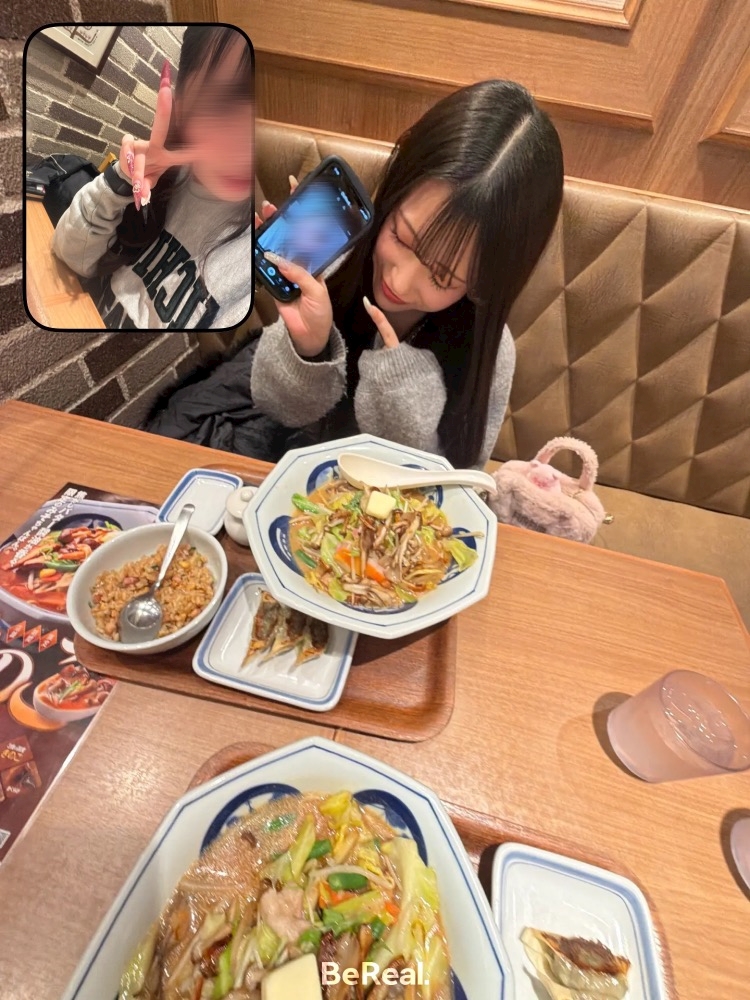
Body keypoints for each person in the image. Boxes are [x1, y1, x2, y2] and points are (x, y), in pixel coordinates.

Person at [150, 79, 563, 468]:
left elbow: (459, 477)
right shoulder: (336, 256)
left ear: (488, 282)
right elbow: (276, 407)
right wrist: (308, 349)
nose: (399, 282)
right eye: (402, 237)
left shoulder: (490, 353)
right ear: (395, 190)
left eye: (442, 277)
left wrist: (400, 409)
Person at [52, 25, 254, 330]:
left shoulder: (261, 252)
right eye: (223, 101)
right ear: (181, 107)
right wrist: (119, 181)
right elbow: (70, 255)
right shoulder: (165, 181)